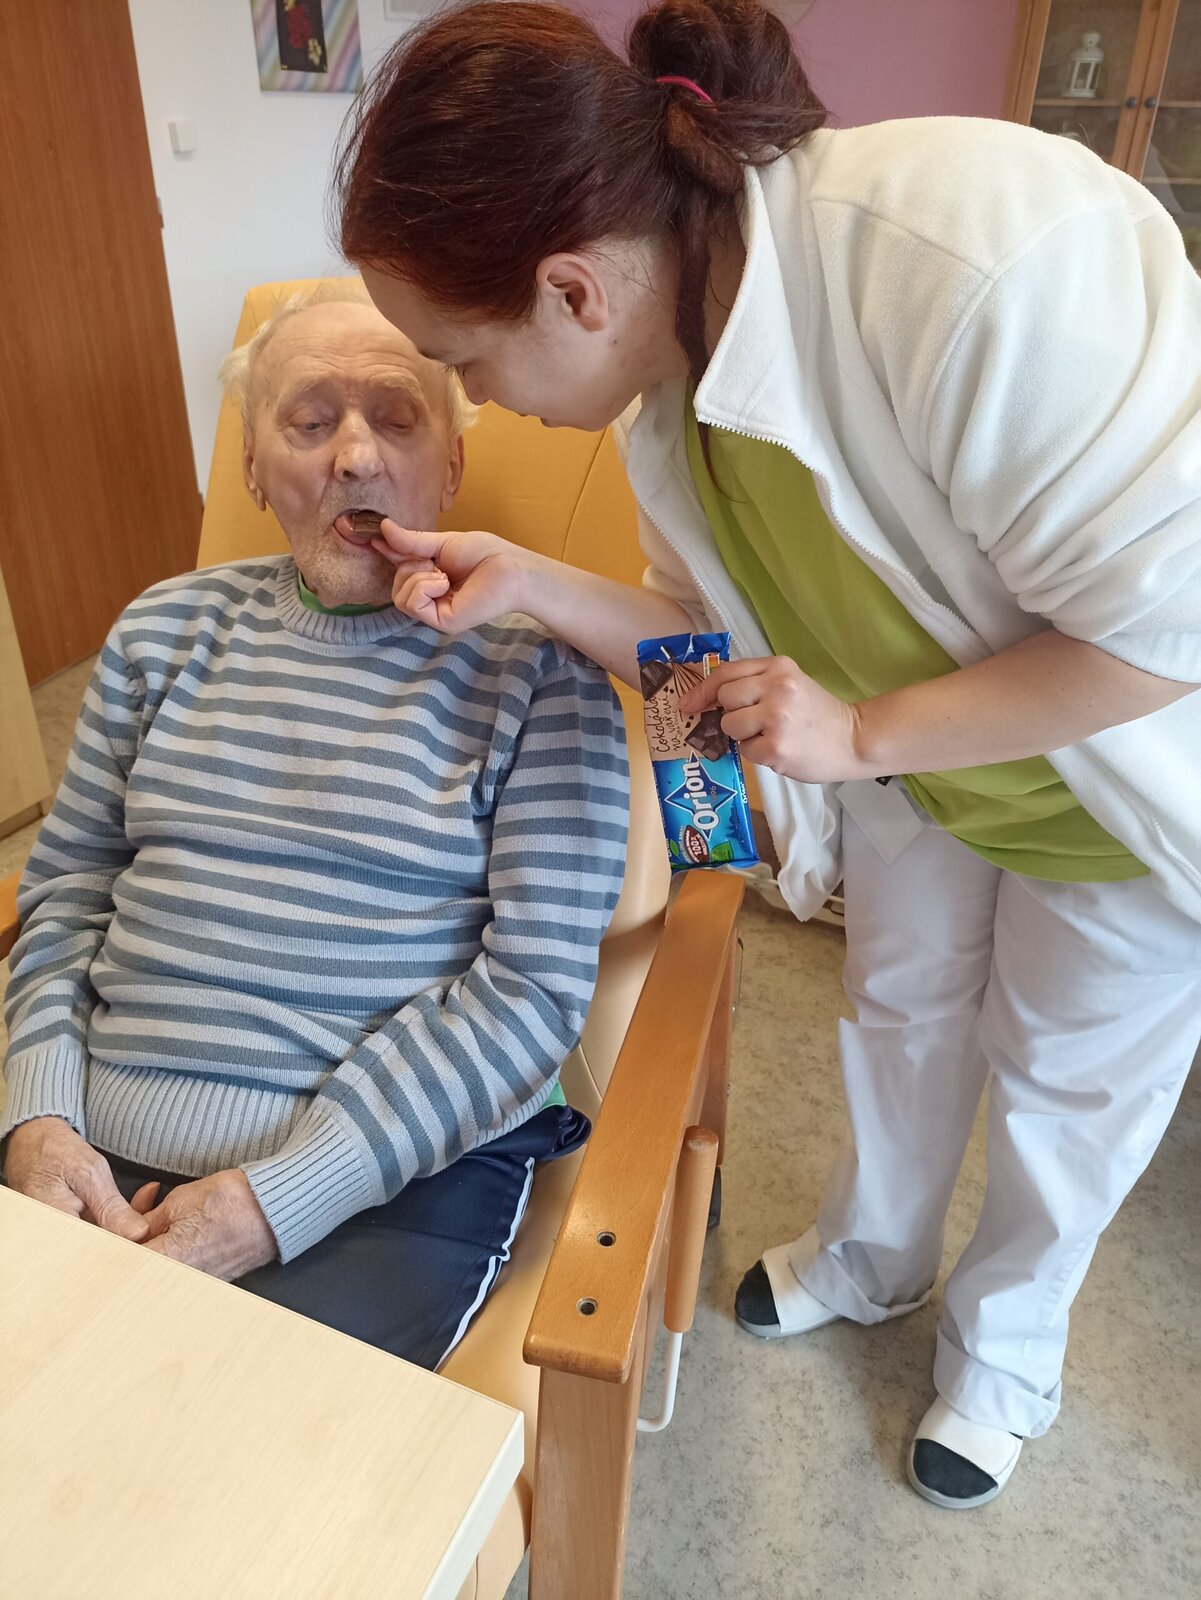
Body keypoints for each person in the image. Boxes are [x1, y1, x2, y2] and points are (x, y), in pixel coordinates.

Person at [331, 0, 1201, 1505]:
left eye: (462, 362)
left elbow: (1164, 630)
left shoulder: (966, 259)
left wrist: (856, 733)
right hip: (915, 766)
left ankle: (1005, 1357)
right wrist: (528, 585)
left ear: (570, 290)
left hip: (1116, 772)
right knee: (899, 1009)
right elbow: (696, 645)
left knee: (1063, 1085)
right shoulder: (670, 386)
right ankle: (872, 1258)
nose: (477, 402)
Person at [1, 284, 629, 1367]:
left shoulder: (538, 674)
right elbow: (66, 895)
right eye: (308, 422)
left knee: (233, 1453)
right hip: (88, 1141)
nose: (355, 456)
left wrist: (280, 1197)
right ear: (252, 468)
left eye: (395, 418)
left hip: (381, 1181)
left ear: (449, 468)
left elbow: (532, 989)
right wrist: (39, 1118)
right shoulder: (161, 632)